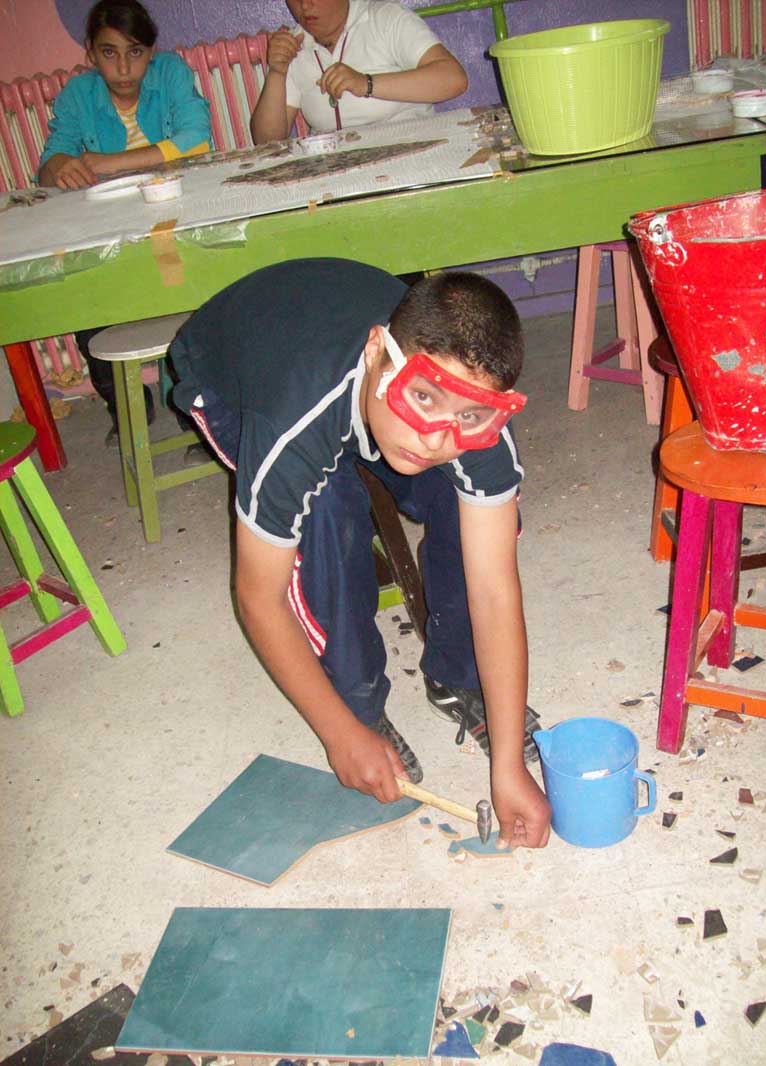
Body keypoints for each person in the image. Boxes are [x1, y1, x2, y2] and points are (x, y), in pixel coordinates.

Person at [169, 258, 551, 849]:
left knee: (464, 501)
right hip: (237, 361)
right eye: (422, 397)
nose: (435, 437)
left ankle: (459, 679)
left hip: (343, 354)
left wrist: (508, 765)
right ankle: (360, 704)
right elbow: (258, 598)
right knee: (326, 512)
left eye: (469, 416)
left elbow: (495, 590)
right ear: (377, 351)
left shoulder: (475, 421)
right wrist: (339, 733)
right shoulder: (291, 419)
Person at [38, 0, 212, 455]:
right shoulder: (79, 94)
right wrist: (61, 167)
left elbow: (197, 140)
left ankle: (191, 408)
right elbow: (50, 162)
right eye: (109, 52)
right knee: (89, 311)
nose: (122, 67)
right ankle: (126, 405)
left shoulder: (170, 73)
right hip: (111, 226)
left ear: (150, 52)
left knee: (193, 305)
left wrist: (107, 163)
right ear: (91, 53)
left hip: (174, 220)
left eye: (134, 52)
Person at [250, 0, 468, 143]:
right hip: (338, 174)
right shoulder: (294, 44)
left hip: (411, 154)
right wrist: (277, 72)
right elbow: (266, 141)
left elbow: (454, 79)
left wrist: (367, 84)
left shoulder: (384, 17)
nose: (305, 5)